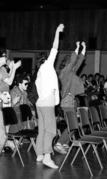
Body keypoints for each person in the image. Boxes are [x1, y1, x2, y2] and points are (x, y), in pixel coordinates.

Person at [35, 24, 64, 169]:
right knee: (51, 130)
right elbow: (55, 48)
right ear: (46, 59)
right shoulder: (47, 66)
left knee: (42, 130)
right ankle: (47, 156)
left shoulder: (39, 71)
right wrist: (57, 31)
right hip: (47, 104)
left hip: (40, 103)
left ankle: (39, 154)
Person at [56, 41, 86, 154]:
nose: (74, 65)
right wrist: (77, 48)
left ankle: (64, 143)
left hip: (71, 101)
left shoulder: (71, 72)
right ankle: (59, 143)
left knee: (74, 126)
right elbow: (74, 60)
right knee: (72, 125)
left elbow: (78, 62)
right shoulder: (64, 72)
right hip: (66, 102)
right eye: (71, 63)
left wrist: (84, 49)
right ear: (67, 64)